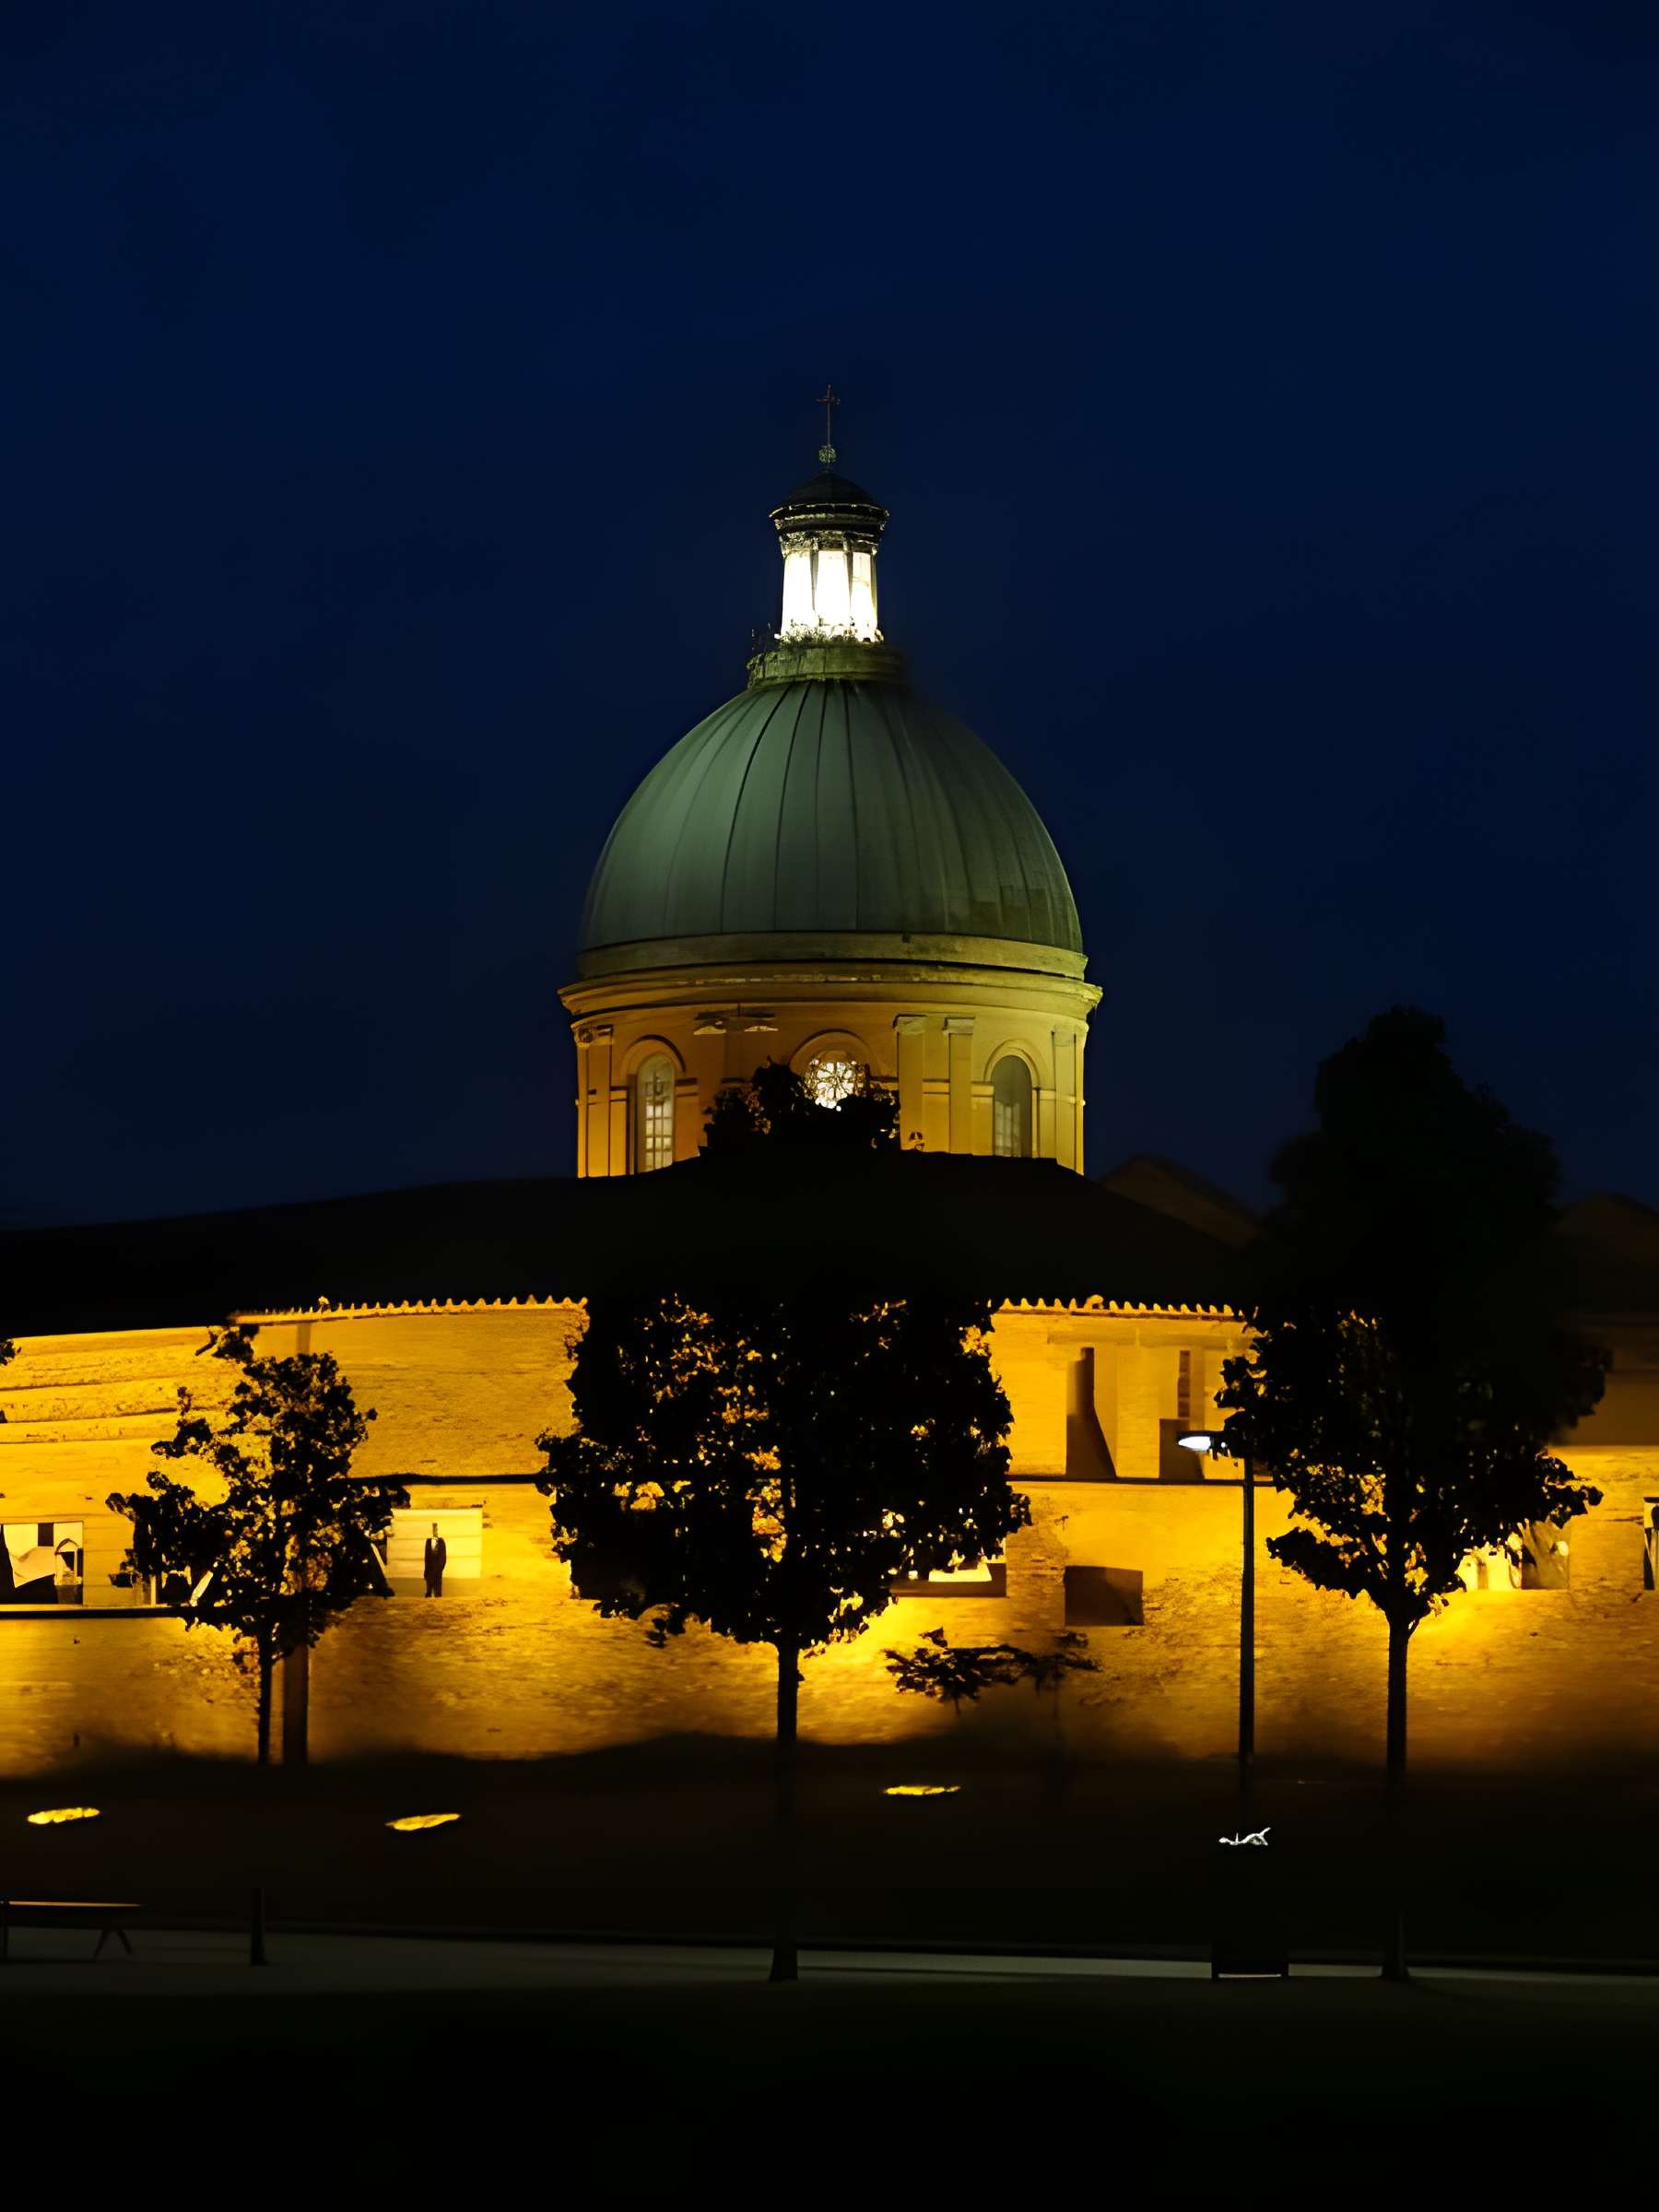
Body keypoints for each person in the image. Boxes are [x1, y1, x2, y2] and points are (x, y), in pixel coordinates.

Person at [423, 1524, 447, 1598]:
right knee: (429, 1583)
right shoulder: (428, 1541)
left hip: (438, 1566)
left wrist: (441, 1566)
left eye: (436, 1529)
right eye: (433, 1530)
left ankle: (438, 1595)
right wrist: (426, 1568)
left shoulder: (441, 1541)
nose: (435, 1531)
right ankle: (429, 1594)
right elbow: (426, 1555)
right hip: (430, 1566)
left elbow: (443, 1555)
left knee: (438, 1585)